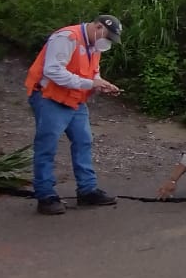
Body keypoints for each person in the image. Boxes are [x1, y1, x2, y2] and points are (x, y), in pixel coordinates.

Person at [24, 15, 124, 215]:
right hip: (50, 98)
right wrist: (90, 84)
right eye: (108, 36)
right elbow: (53, 71)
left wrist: (102, 84)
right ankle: (45, 196)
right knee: (47, 146)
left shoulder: (95, 45)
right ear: (97, 27)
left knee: (84, 141)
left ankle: (87, 191)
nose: (108, 42)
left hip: (75, 100)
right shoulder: (66, 38)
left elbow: (93, 73)